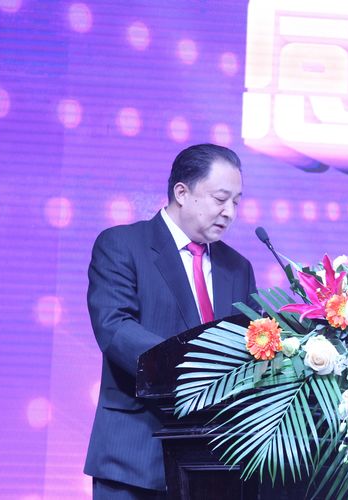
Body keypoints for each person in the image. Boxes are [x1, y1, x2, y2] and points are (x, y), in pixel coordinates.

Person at [84, 144, 258, 498]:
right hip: (135, 453)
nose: (229, 212)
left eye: (236, 202)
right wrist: (201, 369)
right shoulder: (122, 245)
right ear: (182, 192)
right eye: (220, 199)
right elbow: (115, 329)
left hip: (213, 463)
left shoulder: (238, 268)